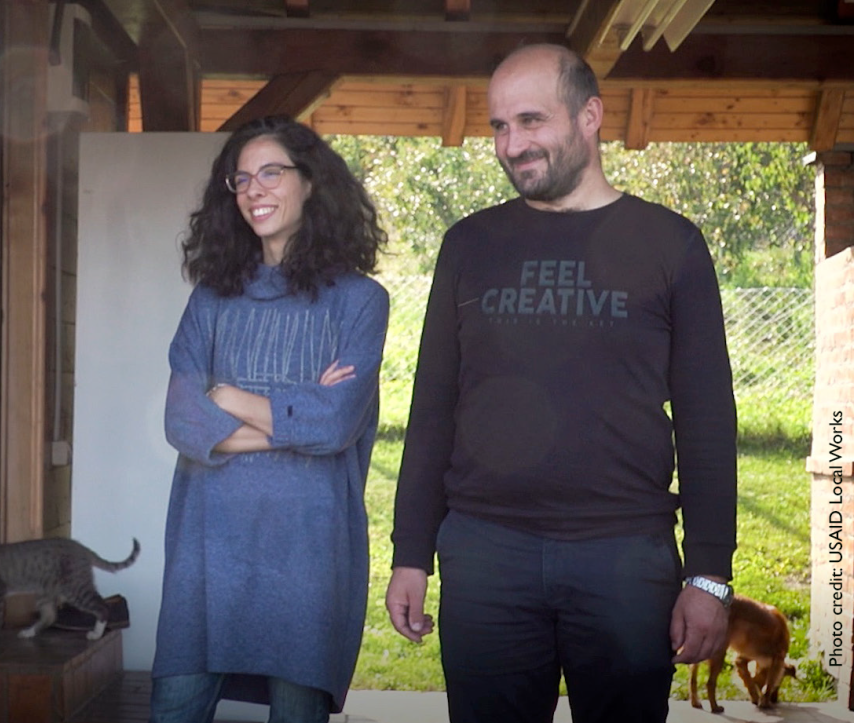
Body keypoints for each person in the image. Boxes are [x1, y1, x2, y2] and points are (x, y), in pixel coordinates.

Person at [384, 43, 737, 723]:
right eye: (498, 127)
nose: (512, 144)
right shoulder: (469, 245)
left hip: (625, 558)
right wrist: (410, 551)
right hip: (486, 553)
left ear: (589, 116)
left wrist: (709, 572)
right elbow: (432, 408)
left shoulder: (671, 245)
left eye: (531, 121)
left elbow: (707, 420)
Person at [152, 116, 389, 723]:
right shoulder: (211, 297)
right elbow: (182, 420)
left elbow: (336, 425)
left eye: (271, 173)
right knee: (174, 709)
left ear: (310, 183)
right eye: (241, 179)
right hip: (206, 546)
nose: (254, 189)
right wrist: (295, 417)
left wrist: (231, 400)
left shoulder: (360, 301)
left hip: (307, 552)